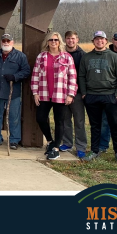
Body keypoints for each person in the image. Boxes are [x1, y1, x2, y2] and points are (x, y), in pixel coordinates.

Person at [78, 31, 117, 164]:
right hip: (92, 96)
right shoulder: (86, 58)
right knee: (95, 125)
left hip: (109, 95)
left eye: (102, 39)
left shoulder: (114, 57)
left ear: (106, 41)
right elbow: (81, 76)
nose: (99, 41)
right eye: (97, 39)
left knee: (114, 124)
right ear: (93, 41)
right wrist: (84, 93)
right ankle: (95, 150)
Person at [30, 32, 77, 160]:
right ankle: (50, 141)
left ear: (59, 41)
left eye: (56, 40)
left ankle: (56, 148)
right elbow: (35, 76)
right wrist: (35, 92)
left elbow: (72, 77)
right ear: (47, 42)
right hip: (44, 94)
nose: (53, 42)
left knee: (59, 121)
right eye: (51, 40)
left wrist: (70, 94)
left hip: (60, 95)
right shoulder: (41, 56)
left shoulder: (67, 57)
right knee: (40, 118)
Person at [0, 33, 30, 149]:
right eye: (4, 40)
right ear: (1, 42)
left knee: (13, 117)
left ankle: (14, 140)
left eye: (8, 41)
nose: (6, 43)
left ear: (12, 42)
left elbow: (26, 71)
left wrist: (15, 77)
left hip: (13, 93)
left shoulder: (20, 56)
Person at [59, 31, 88, 158]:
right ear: (65, 40)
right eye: (68, 39)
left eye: (73, 38)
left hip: (78, 93)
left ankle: (81, 146)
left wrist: (84, 92)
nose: (71, 41)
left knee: (79, 120)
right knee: (65, 119)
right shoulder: (60, 54)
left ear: (77, 40)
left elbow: (86, 75)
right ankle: (67, 142)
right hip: (62, 92)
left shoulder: (83, 56)